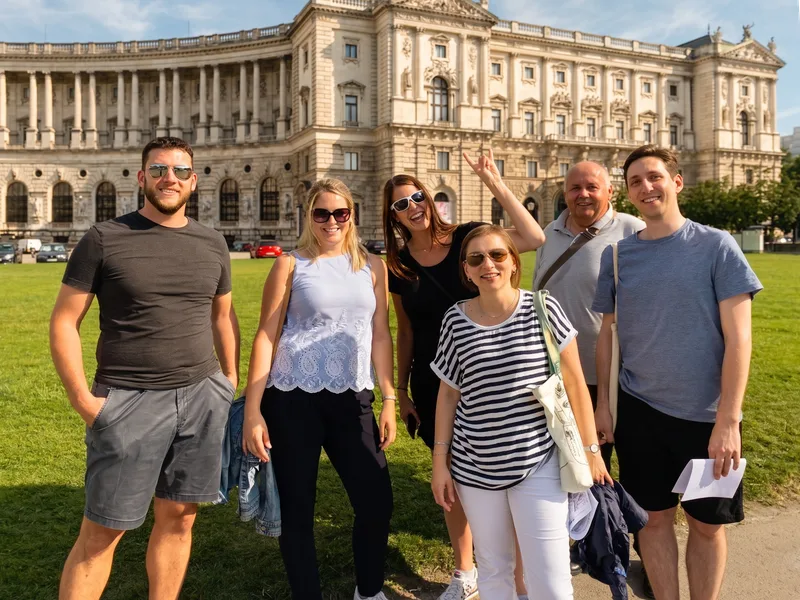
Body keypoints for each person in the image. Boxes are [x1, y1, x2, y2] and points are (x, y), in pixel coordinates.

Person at [52, 136, 239, 600]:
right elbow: (63, 321)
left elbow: (223, 316)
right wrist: (85, 401)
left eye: (179, 171)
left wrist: (228, 380)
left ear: (194, 181)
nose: (168, 178)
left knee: (179, 519)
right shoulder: (104, 238)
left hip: (200, 398)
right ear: (141, 178)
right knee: (102, 533)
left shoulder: (212, 242)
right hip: (127, 400)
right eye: (158, 170)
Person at [593, 145, 762, 600]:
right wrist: (603, 407)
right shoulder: (617, 255)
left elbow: (739, 339)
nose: (646, 187)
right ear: (627, 194)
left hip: (708, 417)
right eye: (635, 182)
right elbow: (607, 336)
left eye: (654, 177)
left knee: (707, 526)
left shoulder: (716, 245)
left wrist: (729, 421)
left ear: (676, 181)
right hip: (641, 414)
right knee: (652, 520)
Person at [383, 149, 545, 600]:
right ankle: (465, 570)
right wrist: (400, 390)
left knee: (502, 465)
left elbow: (532, 237)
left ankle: (514, 573)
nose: (413, 206)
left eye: (419, 197)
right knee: (452, 471)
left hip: (492, 369)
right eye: (402, 204)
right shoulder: (398, 265)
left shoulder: (467, 237)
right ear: (393, 215)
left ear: (430, 200)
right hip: (435, 379)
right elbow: (407, 330)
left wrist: (495, 182)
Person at [431, 224, 612, 600]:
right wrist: (439, 462)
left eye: (497, 255)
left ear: (514, 262)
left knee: (550, 578)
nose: (488, 265)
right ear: (465, 270)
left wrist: (592, 451)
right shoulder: (455, 319)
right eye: (476, 258)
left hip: (537, 460)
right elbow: (448, 395)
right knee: (495, 571)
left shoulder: (542, 308)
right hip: (473, 465)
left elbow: (576, 382)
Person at [243, 178, 396, 600]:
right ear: (309, 217)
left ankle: (369, 591)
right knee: (298, 510)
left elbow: (381, 335)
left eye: (340, 213)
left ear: (352, 215)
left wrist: (389, 398)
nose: (331, 221)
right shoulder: (290, 264)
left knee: (375, 502)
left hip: (354, 396)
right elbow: (266, 336)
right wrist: (253, 410)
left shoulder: (373, 266)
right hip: (292, 398)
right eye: (322, 213)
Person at [534, 161, 643, 468]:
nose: (583, 194)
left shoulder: (632, 230)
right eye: (575, 187)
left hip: (612, 376)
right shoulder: (549, 233)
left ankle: (623, 515)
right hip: (556, 372)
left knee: (609, 463)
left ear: (610, 191)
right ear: (565, 193)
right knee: (568, 465)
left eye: (592, 187)